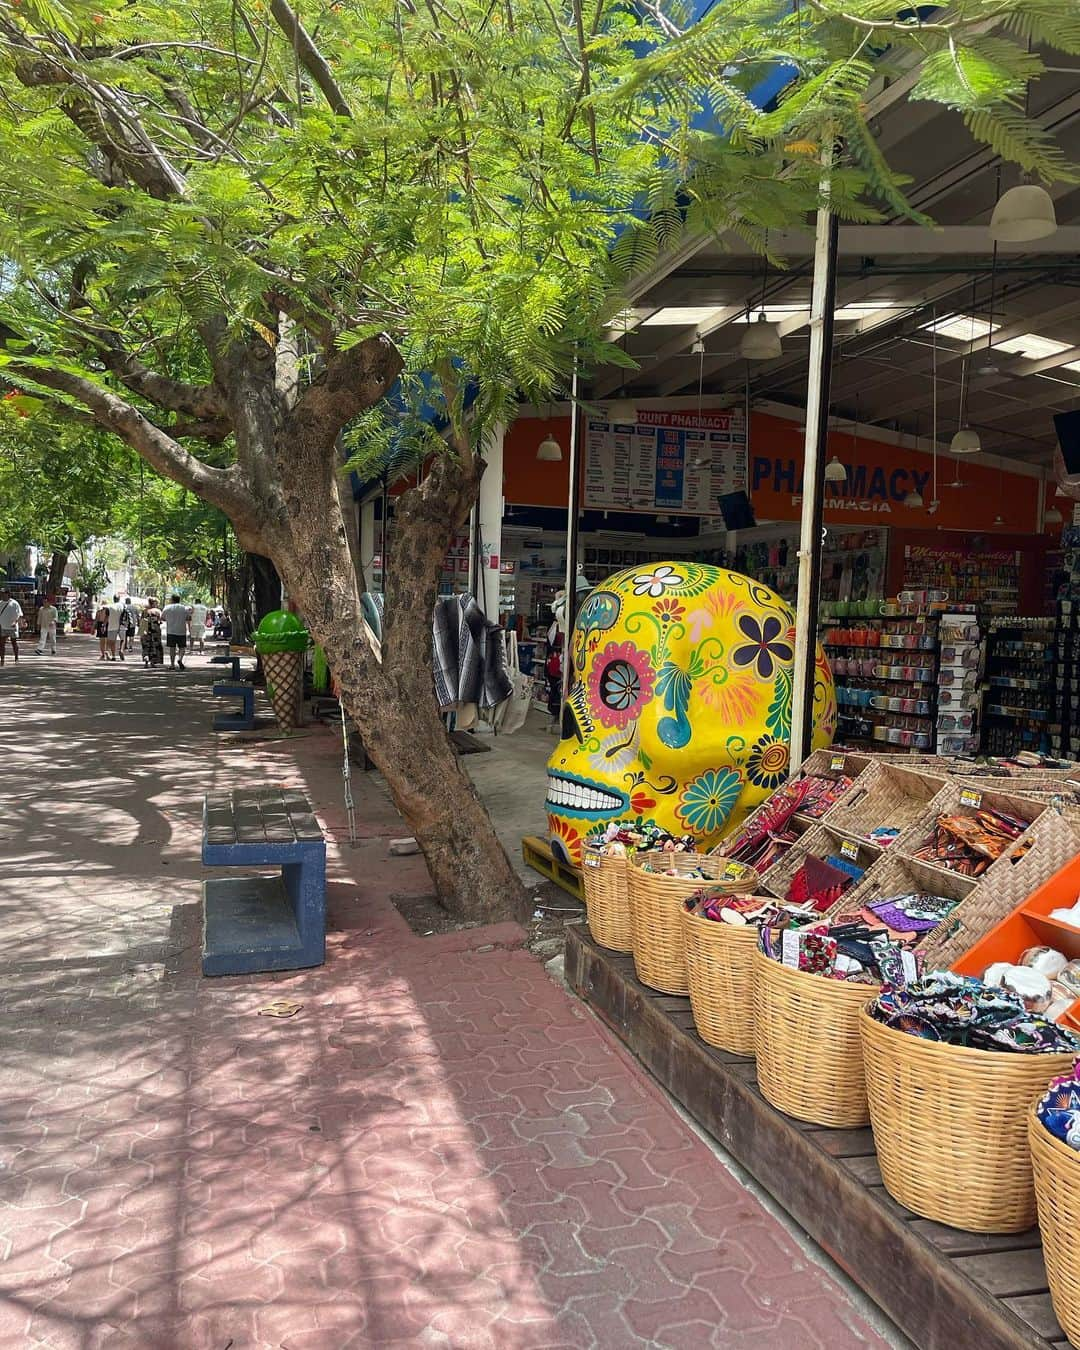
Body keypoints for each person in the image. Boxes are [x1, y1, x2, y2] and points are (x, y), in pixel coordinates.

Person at [161, 593, 189, 669]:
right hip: (181, 630)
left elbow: (162, 617)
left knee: (172, 648)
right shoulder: (184, 608)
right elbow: (188, 618)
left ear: (172, 600)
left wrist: (169, 619)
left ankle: (172, 665)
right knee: (182, 647)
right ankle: (180, 659)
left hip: (171, 631)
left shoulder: (167, 607)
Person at [0, 590, 23, 666]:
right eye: (1, 594)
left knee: (14, 643)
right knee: (1, 643)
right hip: (3, 627)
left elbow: (20, 615)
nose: (2, 595)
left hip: (12, 627)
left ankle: (16, 658)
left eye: (4, 594)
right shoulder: (0, 603)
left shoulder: (14, 603)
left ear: (8, 594)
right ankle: (2, 659)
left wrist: (15, 622)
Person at [140, 596, 163, 666]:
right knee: (155, 645)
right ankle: (153, 662)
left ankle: (146, 657)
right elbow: (160, 620)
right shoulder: (157, 611)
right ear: (154, 603)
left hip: (145, 628)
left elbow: (141, 621)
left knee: (146, 644)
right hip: (155, 629)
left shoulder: (144, 611)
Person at [106, 594, 124, 662]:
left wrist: (104, 625)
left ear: (113, 599)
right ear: (119, 599)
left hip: (112, 626)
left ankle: (113, 656)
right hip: (122, 625)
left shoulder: (110, 607)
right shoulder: (122, 606)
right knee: (123, 639)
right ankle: (121, 650)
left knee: (112, 642)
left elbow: (107, 617)